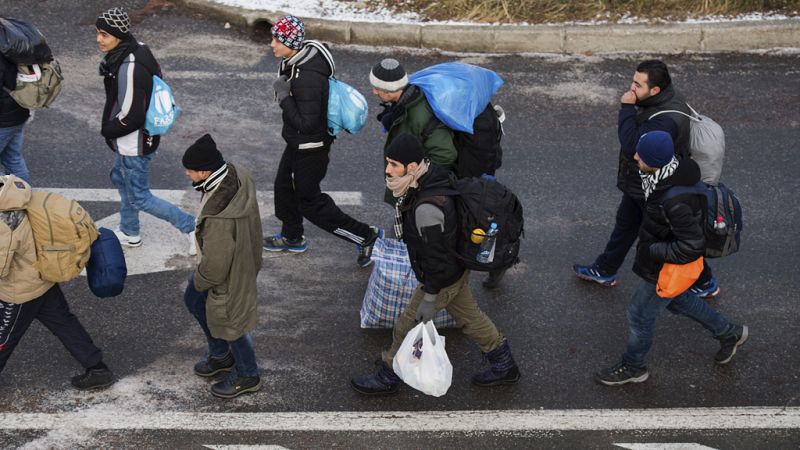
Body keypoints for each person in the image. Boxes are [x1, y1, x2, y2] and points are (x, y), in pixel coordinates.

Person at [350, 133, 520, 395]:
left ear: (413, 167)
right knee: (470, 318)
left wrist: (430, 296)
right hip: (455, 269)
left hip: (443, 277)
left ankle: (387, 375)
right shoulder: (430, 177)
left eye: (394, 164)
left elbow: (436, 258)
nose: (388, 170)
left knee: (406, 326)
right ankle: (504, 364)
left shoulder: (427, 209)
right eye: (388, 162)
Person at [595, 131, 747, 386]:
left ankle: (634, 367)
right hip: (666, 262)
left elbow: (691, 244)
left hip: (666, 266)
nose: (634, 156)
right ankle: (729, 333)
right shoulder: (667, 173)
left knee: (639, 314)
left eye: (639, 155)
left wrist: (654, 251)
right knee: (678, 301)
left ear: (654, 161)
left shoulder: (673, 200)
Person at [573, 60, 720, 298]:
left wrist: (627, 108)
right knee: (625, 226)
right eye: (633, 81)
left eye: (637, 85)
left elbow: (634, 146)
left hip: (654, 185)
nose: (631, 88)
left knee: (668, 234)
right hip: (642, 182)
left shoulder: (664, 119)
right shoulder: (665, 98)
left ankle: (704, 282)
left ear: (655, 90)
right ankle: (605, 268)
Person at [263, 15, 382, 268]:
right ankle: (292, 236)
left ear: (291, 43)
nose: (272, 44)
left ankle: (366, 236)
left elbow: (306, 123)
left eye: (277, 39)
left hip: (310, 148)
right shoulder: (296, 61)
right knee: (283, 187)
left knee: (310, 202)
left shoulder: (307, 77)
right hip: (299, 143)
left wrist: (285, 96)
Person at [96, 7, 196, 254]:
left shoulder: (129, 66)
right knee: (122, 179)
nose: (99, 39)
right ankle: (130, 231)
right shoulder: (137, 47)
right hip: (137, 140)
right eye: (98, 33)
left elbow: (131, 117)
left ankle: (191, 226)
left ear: (118, 35)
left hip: (134, 142)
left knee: (140, 196)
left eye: (104, 35)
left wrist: (107, 130)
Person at [0, 175, 115, 389]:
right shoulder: (15, 193)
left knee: (3, 337)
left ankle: (98, 370)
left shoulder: (4, 222)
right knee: (64, 323)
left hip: (20, 290)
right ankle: (98, 369)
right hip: (43, 277)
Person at [181, 134, 263, 399]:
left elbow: (216, 268)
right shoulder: (236, 174)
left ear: (205, 171)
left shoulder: (219, 218)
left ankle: (247, 375)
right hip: (244, 259)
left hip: (227, 275)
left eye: (190, 171)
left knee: (231, 323)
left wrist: (201, 280)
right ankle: (220, 355)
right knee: (197, 302)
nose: (187, 174)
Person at [369, 58, 457, 206]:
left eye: (377, 88)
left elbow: (445, 154)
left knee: (406, 227)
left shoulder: (418, 115)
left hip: (415, 192)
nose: (374, 92)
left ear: (390, 90)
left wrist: (415, 179)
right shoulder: (405, 104)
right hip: (408, 186)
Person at [0, 51, 32, 185]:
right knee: (12, 159)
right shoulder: (10, 42)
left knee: (13, 159)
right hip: (18, 112)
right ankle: (23, 198)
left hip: (3, 119)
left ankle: (10, 196)